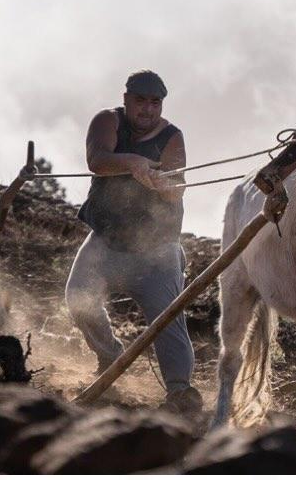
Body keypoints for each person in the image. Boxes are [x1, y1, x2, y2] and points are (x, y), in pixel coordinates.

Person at [66, 70, 202, 413]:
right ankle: (110, 356)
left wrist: (162, 183)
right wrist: (135, 163)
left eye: (155, 103)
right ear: (126, 100)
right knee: (78, 297)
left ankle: (179, 391)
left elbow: (177, 189)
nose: (147, 110)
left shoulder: (172, 137)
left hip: (156, 252)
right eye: (140, 102)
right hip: (106, 242)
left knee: (167, 319)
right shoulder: (107, 121)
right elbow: (98, 161)